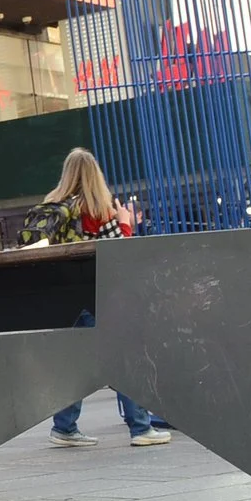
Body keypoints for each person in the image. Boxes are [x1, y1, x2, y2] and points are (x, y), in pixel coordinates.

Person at [26, 149, 167, 448]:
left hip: (60, 300)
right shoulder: (97, 209)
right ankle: (141, 428)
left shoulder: (52, 204)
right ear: (96, 175)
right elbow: (119, 254)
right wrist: (125, 222)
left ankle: (64, 427)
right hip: (94, 296)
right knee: (125, 356)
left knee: (73, 363)